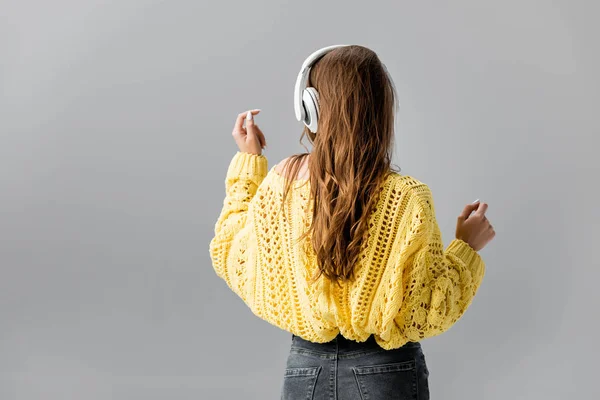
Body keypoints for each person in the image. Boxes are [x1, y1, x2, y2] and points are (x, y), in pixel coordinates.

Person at [209, 44, 495, 400]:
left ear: (309, 110)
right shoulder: (406, 197)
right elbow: (430, 308)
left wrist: (249, 162)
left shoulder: (280, 184)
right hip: (386, 373)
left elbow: (232, 251)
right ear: (381, 112)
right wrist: (466, 247)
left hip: (305, 371)